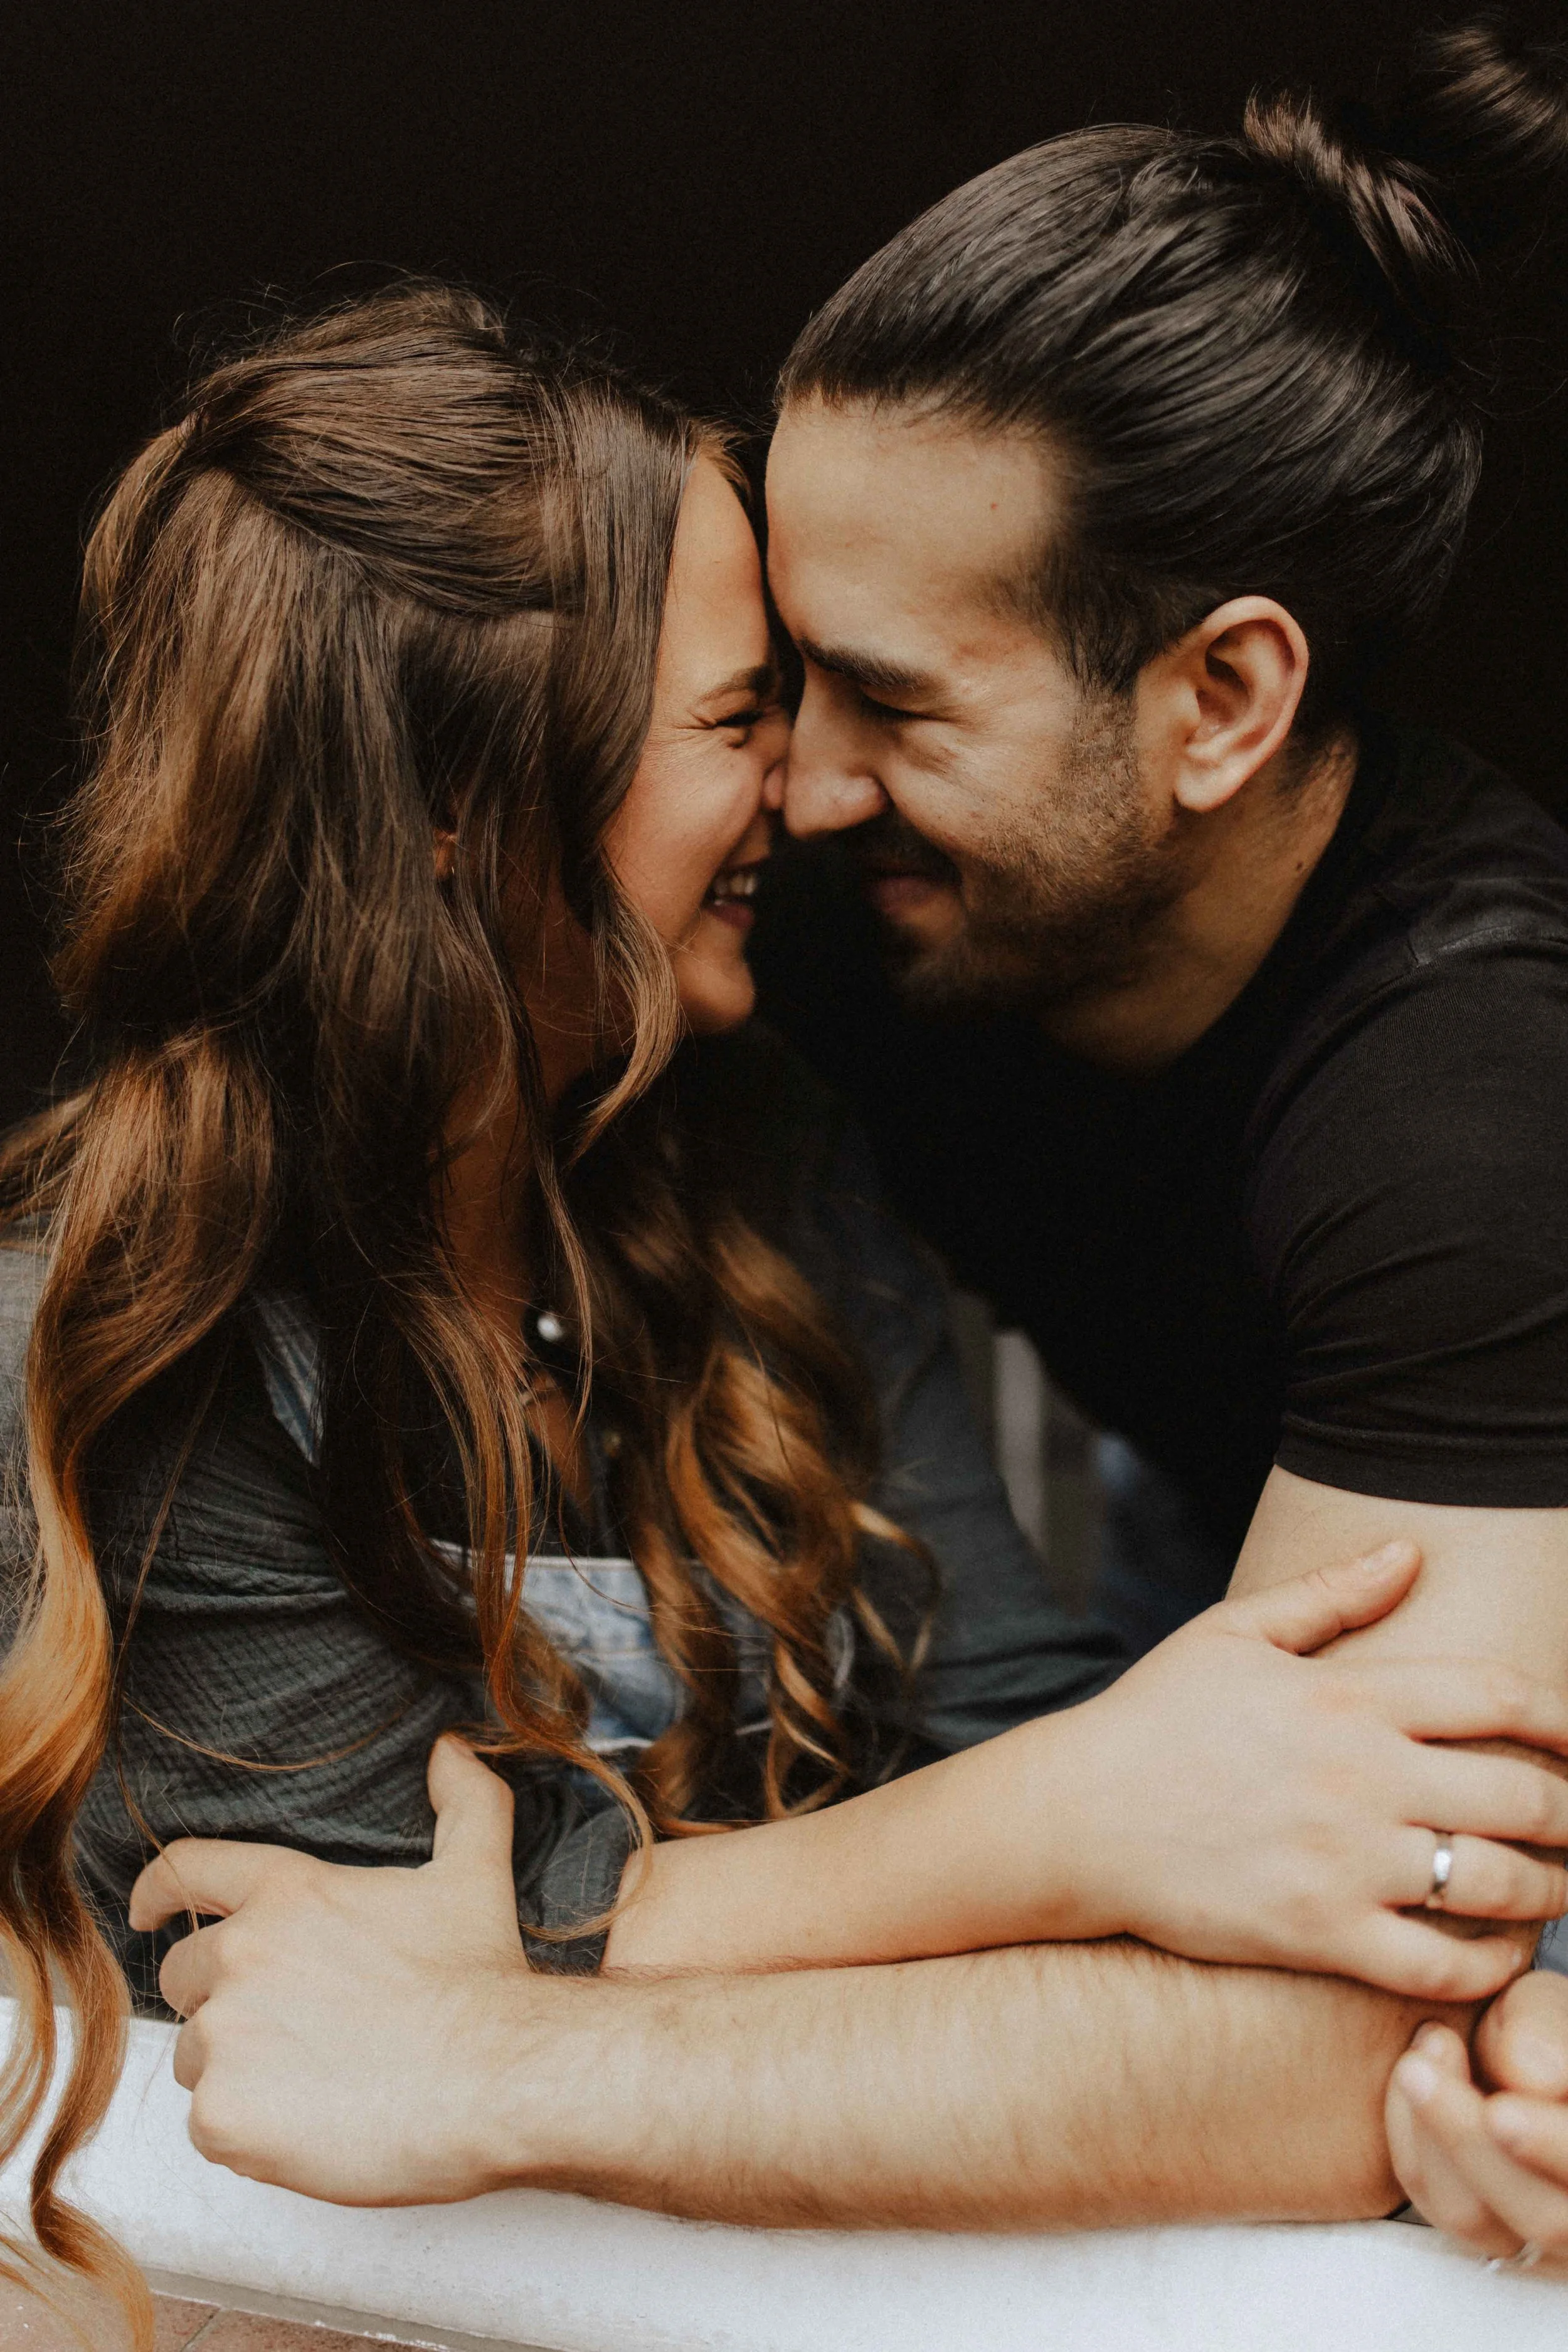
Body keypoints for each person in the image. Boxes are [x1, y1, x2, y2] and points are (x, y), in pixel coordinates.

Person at [108, 8, 1568, 2279]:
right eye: (760, 699)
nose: (800, 794)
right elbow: (301, 1927)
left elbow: (1278, 1955)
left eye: (883, 704)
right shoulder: (778, 980)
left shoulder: (1461, 1110)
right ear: (458, 830)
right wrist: (1070, 1826)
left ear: (1222, 702)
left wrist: (510, 2040)